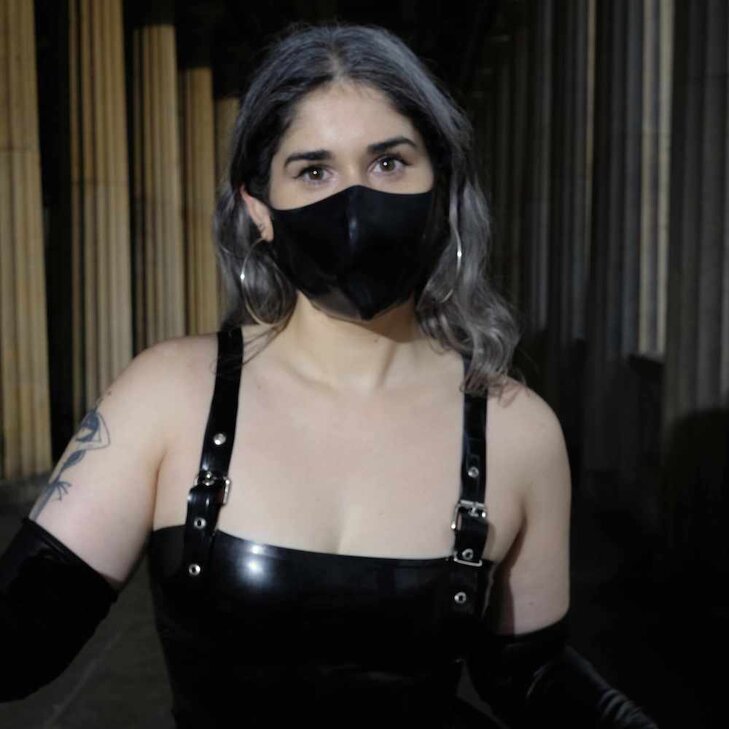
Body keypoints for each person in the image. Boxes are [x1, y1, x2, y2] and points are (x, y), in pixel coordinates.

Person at [0, 20, 659, 729]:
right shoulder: (171, 396)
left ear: (441, 185)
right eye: (314, 171)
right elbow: (20, 640)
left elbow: (527, 672)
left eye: (388, 163)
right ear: (259, 208)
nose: (355, 205)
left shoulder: (516, 430)